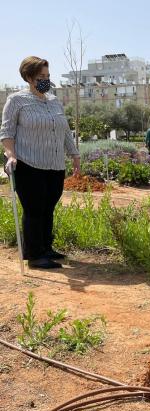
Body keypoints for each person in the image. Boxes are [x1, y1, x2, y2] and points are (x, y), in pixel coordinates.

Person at [0, 56, 80, 269]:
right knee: (34, 209)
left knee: (48, 207)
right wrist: (11, 154)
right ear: (28, 77)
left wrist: (75, 155)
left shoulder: (54, 101)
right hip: (28, 163)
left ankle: (46, 247)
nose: (45, 80)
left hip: (54, 165)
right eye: (40, 77)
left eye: (47, 76)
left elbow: (64, 131)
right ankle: (34, 255)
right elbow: (6, 132)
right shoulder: (16, 100)